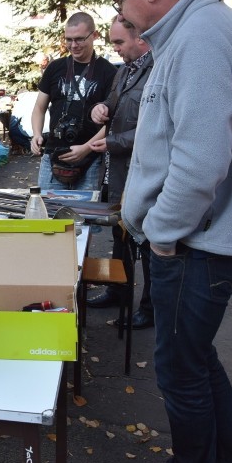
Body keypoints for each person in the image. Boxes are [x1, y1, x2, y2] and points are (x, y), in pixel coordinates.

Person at [107, 0, 232, 463]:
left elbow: (200, 163)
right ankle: (229, 458)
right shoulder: (203, 30)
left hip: (194, 247)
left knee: (181, 371)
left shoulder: (201, 37)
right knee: (195, 358)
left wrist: (160, 234)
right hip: (198, 242)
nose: (121, 12)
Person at [85, 17, 154, 329]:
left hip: (140, 172)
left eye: (118, 42)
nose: (115, 48)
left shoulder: (157, 70)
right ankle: (118, 291)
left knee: (146, 243)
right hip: (116, 170)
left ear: (139, 37)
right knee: (119, 232)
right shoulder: (125, 69)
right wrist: (98, 109)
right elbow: (110, 107)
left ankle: (149, 308)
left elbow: (153, 132)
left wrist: (112, 142)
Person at [30, 13, 117, 190]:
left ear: (94, 35)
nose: (73, 45)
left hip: (90, 160)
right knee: (48, 212)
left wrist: (86, 148)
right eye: (68, 40)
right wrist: (36, 134)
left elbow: (113, 121)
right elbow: (39, 108)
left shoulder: (109, 72)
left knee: (85, 214)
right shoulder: (55, 67)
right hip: (54, 155)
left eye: (79, 39)